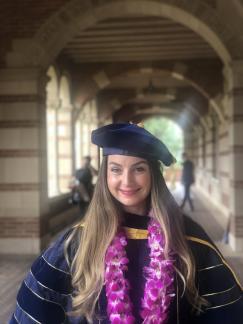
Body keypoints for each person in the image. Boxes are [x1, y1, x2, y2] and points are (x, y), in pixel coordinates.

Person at [10, 123, 243, 324]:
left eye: (139, 169)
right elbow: (37, 309)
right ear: (105, 176)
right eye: (116, 169)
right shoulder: (78, 242)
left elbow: (224, 312)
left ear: (153, 174)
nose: (127, 181)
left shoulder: (187, 238)